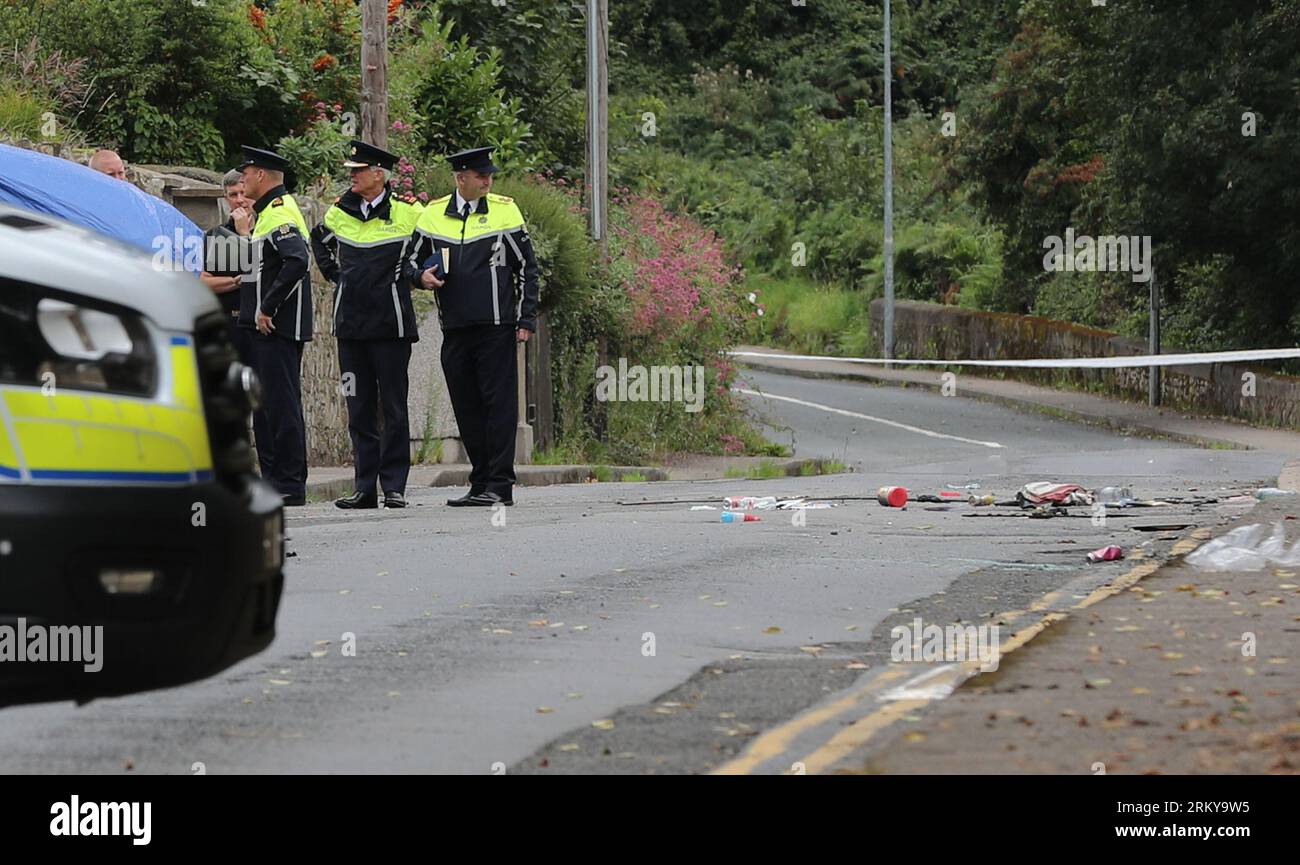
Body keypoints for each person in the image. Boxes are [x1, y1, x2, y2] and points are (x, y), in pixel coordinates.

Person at [405, 146, 539, 507]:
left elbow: (528, 267)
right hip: (455, 328)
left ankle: (500, 485)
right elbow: (407, 264)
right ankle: (480, 481)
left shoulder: (505, 210)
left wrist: (526, 318)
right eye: (481, 176)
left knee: (498, 406)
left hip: (497, 326)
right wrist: (421, 277)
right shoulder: (433, 215)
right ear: (460, 178)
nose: (488, 181)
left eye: (489, 175)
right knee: (467, 406)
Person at [311, 140, 424, 509]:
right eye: (351, 171)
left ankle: (394, 486)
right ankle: (364, 488)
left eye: (358, 171)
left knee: (393, 407)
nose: (352, 176)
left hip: (391, 326)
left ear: (379, 174)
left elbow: (428, 250)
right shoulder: (338, 211)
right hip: (351, 327)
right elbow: (319, 240)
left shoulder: (409, 212)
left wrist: (416, 275)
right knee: (358, 408)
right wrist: (335, 275)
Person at [237, 145, 313, 506]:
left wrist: (268, 307)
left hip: (277, 327)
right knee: (265, 407)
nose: (242, 179)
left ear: (262, 176)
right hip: (262, 328)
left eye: (246, 173)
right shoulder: (266, 213)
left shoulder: (281, 213)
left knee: (281, 405)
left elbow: (296, 260)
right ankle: (273, 480)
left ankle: (289, 483)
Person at [200, 169, 255, 359]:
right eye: (233, 195)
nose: (240, 200)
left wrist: (244, 234)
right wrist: (235, 282)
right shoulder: (218, 235)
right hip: (231, 322)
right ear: (226, 199)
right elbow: (205, 282)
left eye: (244, 193)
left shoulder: (266, 231)